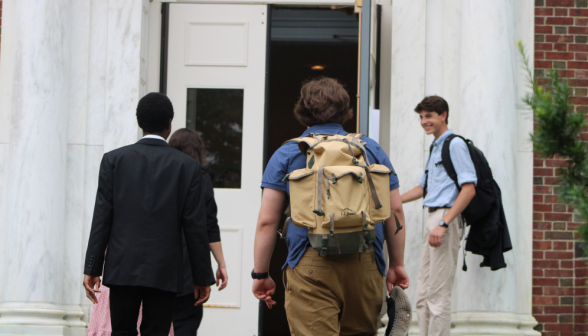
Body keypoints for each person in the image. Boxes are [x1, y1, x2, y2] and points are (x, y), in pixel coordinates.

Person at [252, 77, 409, 335]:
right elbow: (396, 210)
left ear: (303, 111)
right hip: (367, 260)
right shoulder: (370, 150)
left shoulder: (289, 153)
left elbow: (268, 221)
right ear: (345, 110)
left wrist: (260, 274)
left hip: (310, 262)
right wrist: (396, 265)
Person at [83, 92, 214, 336]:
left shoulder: (113, 160)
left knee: (122, 331)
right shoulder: (188, 167)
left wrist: (92, 267)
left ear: (140, 123)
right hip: (165, 269)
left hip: (122, 267)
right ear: (169, 124)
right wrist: (202, 277)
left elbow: (102, 217)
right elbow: (195, 227)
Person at [400, 96, 477, 336]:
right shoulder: (435, 146)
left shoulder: (454, 144)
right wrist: (392, 201)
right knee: (423, 294)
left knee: (437, 294)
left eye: (429, 116)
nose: (424, 121)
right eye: (421, 117)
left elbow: (469, 189)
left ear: (443, 115)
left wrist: (444, 223)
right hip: (433, 217)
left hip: (445, 218)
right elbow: (423, 189)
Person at [168, 128, 229, 336]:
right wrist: (221, 264)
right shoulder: (201, 177)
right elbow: (209, 225)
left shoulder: (160, 174)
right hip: (188, 268)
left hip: (158, 266)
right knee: (186, 322)